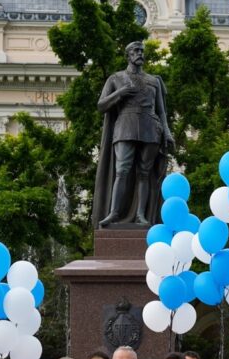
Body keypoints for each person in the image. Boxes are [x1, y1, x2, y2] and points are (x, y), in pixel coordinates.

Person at [94, 40, 173, 227]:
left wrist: (167, 133)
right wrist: (120, 93)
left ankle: (140, 215)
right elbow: (101, 105)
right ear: (128, 55)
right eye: (136, 51)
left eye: (141, 51)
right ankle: (113, 213)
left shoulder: (154, 81)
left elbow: (162, 111)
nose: (140, 54)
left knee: (144, 173)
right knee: (122, 170)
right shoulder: (116, 78)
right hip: (125, 126)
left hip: (151, 127)